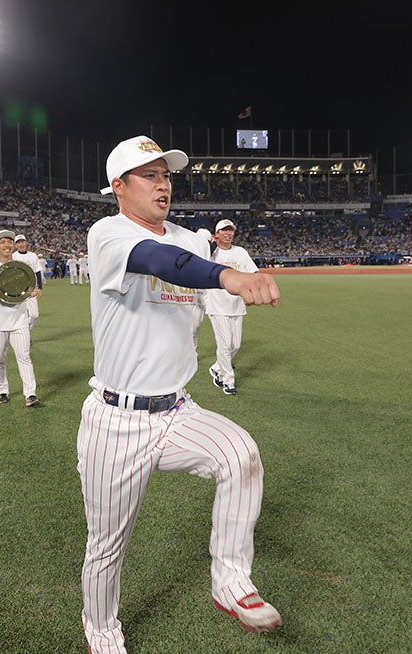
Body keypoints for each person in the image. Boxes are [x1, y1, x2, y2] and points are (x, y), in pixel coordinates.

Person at [78, 135, 282, 653]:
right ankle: (102, 632)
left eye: (166, 175)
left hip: (176, 409)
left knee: (241, 454)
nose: (163, 184)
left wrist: (231, 274)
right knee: (107, 545)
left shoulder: (192, 240)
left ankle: (230, 581)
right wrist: (227, 274)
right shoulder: (108, 232)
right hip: (116, 418)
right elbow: (160, 260)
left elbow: (186, 262)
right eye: (149, 175)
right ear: (119, 186)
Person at [0, 230, 42, 406]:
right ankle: (2, 390)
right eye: (2, 242)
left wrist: (32, 292)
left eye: (10, 242)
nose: (7, 245)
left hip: (19, 320)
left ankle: (30, 394)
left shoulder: (21, 268)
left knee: (24, 357)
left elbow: (26, 289)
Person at [205, 219, 259, 395]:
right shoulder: (211, 253)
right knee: (225, 344)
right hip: (217, 305)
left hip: (236, 305)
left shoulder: (240, 252)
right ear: (217, 234)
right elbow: (197, 262)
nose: (228, 233)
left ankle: (216, 368)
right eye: (224, 230)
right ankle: (228, 380)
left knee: (235, 345)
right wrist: (208, 245)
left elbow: (253, 272)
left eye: (231, 230)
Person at [11, 234, 45, 330]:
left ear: (26, 243)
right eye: (18, 242)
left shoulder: (32, 255)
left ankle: (26, 331)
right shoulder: (13, 256)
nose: (21, 244)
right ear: (15, 245)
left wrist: (40, 288)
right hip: (18, 289)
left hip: (31, 289)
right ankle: (21, 334)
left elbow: (37, 271)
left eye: (22, 242)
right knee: (18, 315)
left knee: (34, 315)